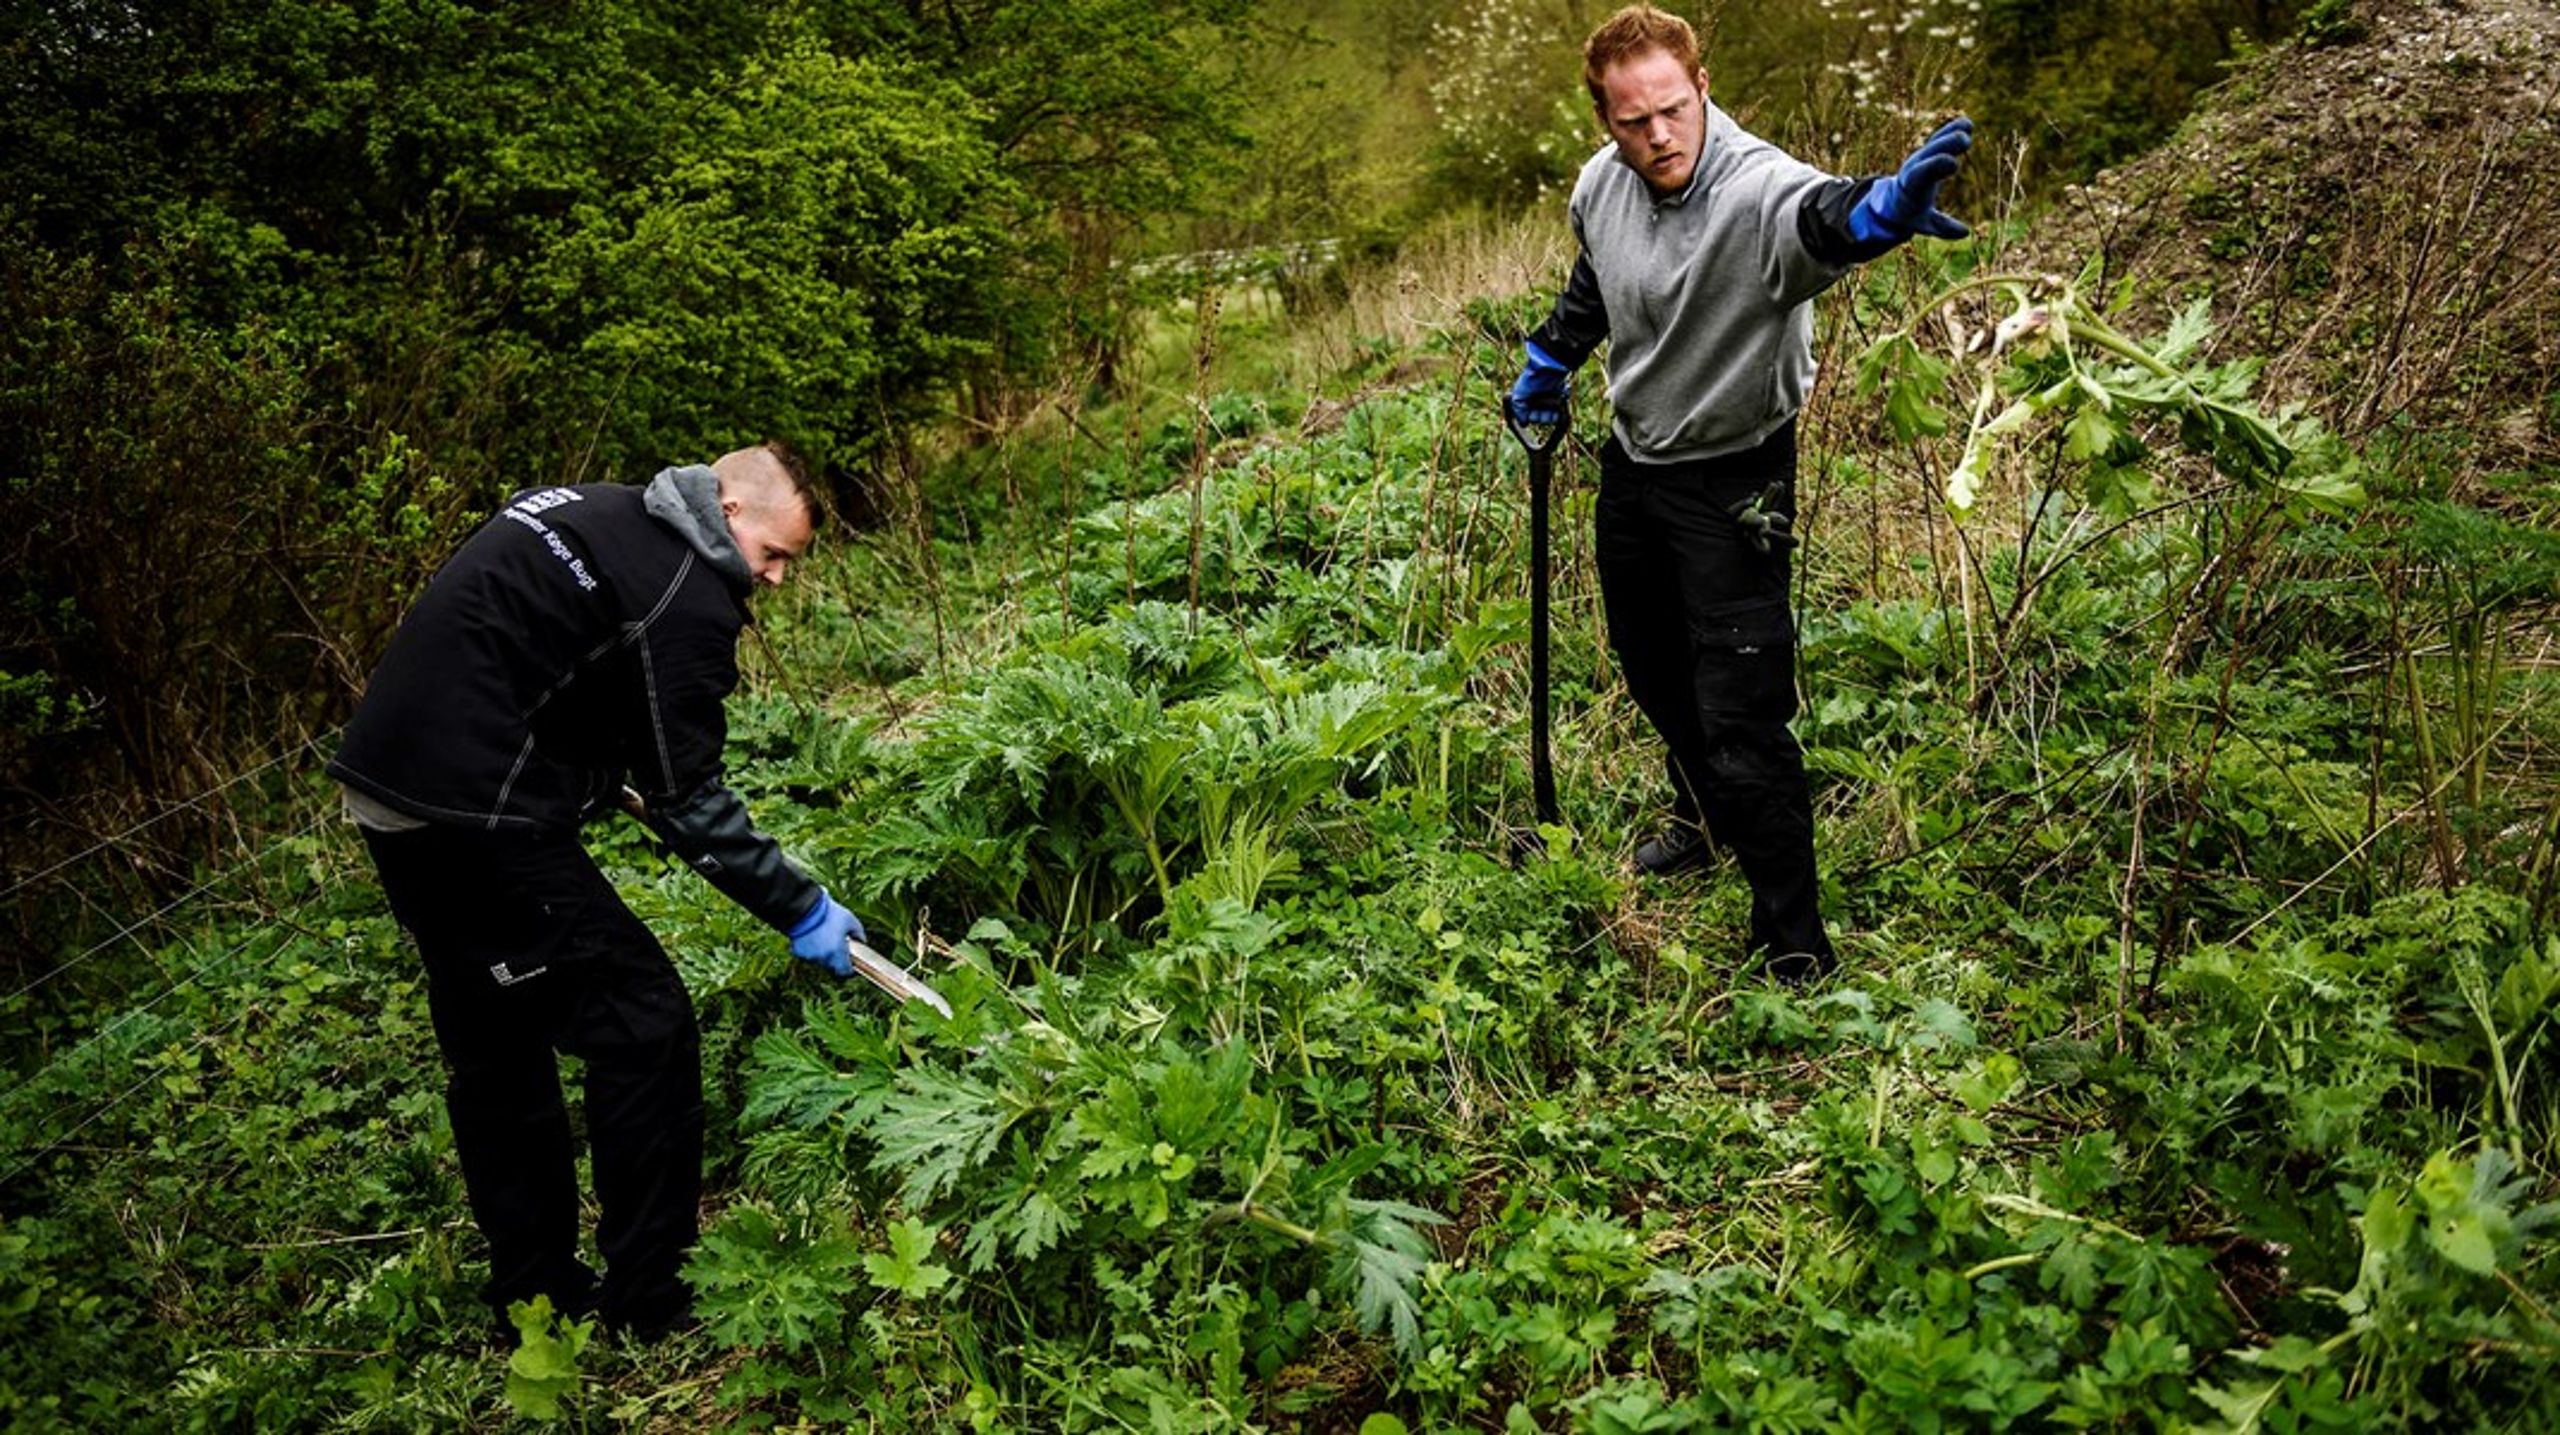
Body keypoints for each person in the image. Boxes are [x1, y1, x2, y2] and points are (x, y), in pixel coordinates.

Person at [327, 441, 870, 1341]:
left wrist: (587, 770)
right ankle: (649, 1301)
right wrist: (799, 907)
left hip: (390, 792)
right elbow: (686, 796)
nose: (774, 581)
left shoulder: (593, 506)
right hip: (472, 818)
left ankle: (533, 1297)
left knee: (498, 1043)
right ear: (729, 513)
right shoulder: (688, 594)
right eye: (774, 556)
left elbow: (551, 660)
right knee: (646, 1023)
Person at [1508, 5, 1973, 984]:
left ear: (1700, 88)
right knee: (1648, 666)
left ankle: (1793, 942)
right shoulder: (1603, 185)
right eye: (1633, 122)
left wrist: (1879, 210)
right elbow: (1600, 277)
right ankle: (1704, 818)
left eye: (1672, 110)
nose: (1659, 137)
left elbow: (1819, 218)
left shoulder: (1755, 187)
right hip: (1637, 462)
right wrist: (1551, 355)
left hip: (1734, 474)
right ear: (1605, 122)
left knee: (1743, 711)